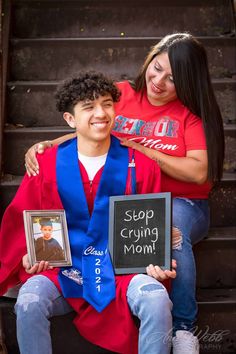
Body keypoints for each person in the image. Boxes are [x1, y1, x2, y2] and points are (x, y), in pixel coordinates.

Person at [24, 32, 225, 354]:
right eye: (156, 68)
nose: (159, 81)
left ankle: (184, 328)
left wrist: (142, 149)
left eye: (172, 78)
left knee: (170, 230)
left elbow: (199, 172)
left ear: (187, 82)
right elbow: (90, 123)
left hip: (182, 201)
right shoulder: (121, 93)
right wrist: (49, 144)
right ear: (149, 59)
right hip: (127, 198)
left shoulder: (189, 114)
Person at [0, 71, 177, 354]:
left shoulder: (142, 165)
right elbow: (24, 218)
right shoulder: (46, 165)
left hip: (121, 271)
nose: (101, 113)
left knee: (155, 298)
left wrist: (156, 260)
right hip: (61, 270)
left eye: (107, 104)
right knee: (30, 299)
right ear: (70, 120)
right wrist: (27, 256)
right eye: (88, 107)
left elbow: (149, 227)